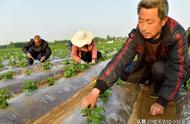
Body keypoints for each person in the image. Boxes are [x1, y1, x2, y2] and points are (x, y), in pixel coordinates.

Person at [82, 0, 189, 116]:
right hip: (148, 64)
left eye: (149, 22)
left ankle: (159, 88)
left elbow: (177, 68)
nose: (143, 27)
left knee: (159, 69)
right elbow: (120, 58)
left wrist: (162, 101)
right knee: (124, 73)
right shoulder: (138, 33)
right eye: (140, 21)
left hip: (166, 66)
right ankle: (152, 78)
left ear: (163, 21)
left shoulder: (176, 34)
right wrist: (96, 90)